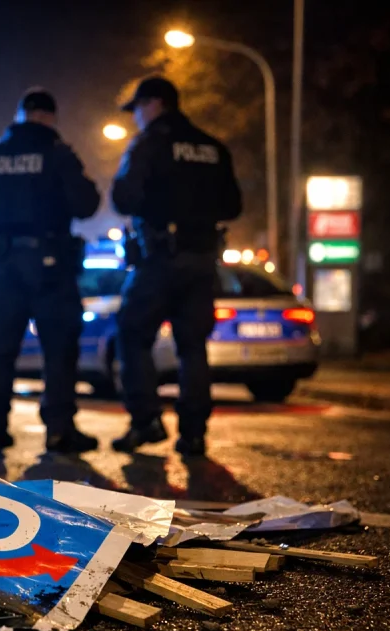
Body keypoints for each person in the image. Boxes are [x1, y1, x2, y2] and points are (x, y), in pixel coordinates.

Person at [0, 88, 101, 454]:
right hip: (51, 264)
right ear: (50, 116)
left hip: (6, 265)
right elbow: (87, 203)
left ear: (21, 114)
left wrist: (5, 210)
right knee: (59, 348)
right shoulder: (58, 153)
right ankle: (58, 429)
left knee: (1, 348)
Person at [110, 76, 242, 457]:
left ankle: (145, 420)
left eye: (137, 108)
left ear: (154, 103)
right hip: (201, 260)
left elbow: (123, 197)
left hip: (159, 260)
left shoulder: (149, 143)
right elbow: (233, 206)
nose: (136, 117)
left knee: (132, 334)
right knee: (192, 346)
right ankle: (194, 433)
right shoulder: (212, 146)